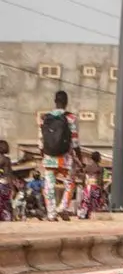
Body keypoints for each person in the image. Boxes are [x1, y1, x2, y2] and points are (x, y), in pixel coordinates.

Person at [39, 90, 80, 220]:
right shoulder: (71, 118)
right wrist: (79, 158)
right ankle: (62, 208)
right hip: (65, 158)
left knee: (49, 185)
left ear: (55, 101)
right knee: (70, 183)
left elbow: (41, 140)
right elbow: (75, 142)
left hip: (49, 157)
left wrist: (43, 155)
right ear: (66, 102)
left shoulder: (45, 118)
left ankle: (51, 213)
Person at [77, 151, 106, 219]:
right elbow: (100, 180)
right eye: (100, 157)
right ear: (98, 158)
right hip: (95, 187)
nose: (100, 158)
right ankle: (91, 214)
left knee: (86, 201)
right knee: (95, 201)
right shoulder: (100, 168)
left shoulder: (87, 167)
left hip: (87, 186)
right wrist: (101, 190)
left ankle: (83, 214)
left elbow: (84, 178)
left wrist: (84, 187)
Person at [0, 140, 13, 221]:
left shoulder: (3, 159)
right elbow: (9, 174)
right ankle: (7, 217)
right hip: (5, 183)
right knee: (6, 201)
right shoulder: (7, 159)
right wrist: (12, 186)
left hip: (2, 182)